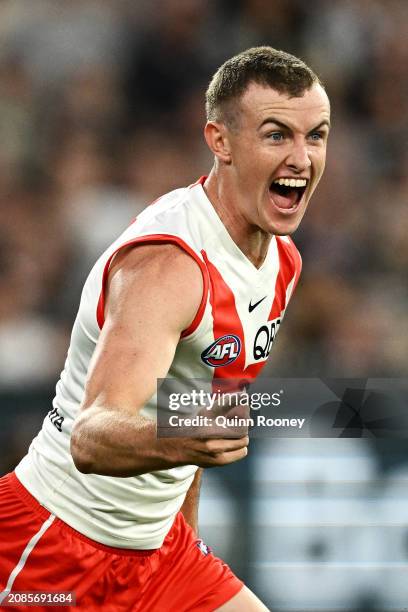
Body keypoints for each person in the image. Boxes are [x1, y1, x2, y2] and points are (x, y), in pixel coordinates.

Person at [0, 46, 330, 611]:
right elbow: (93, 434)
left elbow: (192, 411)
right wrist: (184, 437)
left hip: (163, 556)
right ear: (219, 141)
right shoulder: (169, 266)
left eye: (316, 135)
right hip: (53, 544)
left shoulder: (282, 263)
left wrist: (191, 542)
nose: (301, 157)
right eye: (276, 135)